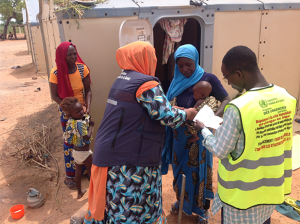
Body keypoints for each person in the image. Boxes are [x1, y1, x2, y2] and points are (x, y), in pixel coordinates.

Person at [83, 41, 197, 224]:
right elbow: (167, 117)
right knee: (135, 206)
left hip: (109, 153)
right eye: (151, 58)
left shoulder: (122, 79)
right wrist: (188, 113)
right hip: (130, 161)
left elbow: (144, 109)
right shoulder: (146, 83)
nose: (153, 62)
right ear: (144, 59)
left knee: (116, 204)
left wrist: (169, 108)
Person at [194, 45, 296, 224]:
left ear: (239, 74)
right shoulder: (287, 98)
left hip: (241, 197)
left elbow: (220, 150)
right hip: (271, 190)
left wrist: (203, 129)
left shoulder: (238, 107)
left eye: (227, 77)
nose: (228, 83)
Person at [162, 44, 230, 224]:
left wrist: (214, 117)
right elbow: (168, 106)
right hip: (178, 137)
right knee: (179, 171)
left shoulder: (208, 78)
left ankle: (202, 212)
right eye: (180, 65)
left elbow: (226, 99)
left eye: (188, 64)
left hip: (200, 137)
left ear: (196, 61)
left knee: (200, 173)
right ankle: (181, 201)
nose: (184, 69)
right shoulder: (175, 81)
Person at [49, 42, 92, 190]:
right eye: (70, 55)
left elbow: (88, 91)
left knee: (84, 141)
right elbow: (54, 96)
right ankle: (70, 175)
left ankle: (85, 170)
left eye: (75, 53)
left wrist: (87, 107)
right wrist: (68, 109)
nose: (74, 57)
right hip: (66, 112)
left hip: (82, 111)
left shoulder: (82, 69)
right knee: (69, 143)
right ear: (62, 56)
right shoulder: (55, 73)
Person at [60, 97, 94, 199]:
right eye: (78, 111)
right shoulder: (80, 124)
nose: (81, 113)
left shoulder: (71, 120)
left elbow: (81, 120)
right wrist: (91, 125)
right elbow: (87, 137)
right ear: (71, 113)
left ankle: (79, 192)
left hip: (75, 151)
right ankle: (94, 193)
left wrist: (86, 118)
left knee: (78, 172)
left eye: (81, 110)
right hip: (85, 153)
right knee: (91, 172)